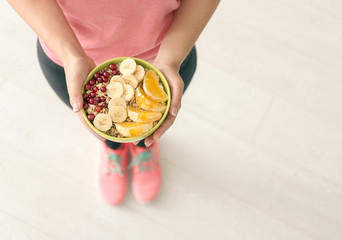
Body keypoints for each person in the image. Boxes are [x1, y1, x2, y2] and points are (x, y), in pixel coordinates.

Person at [8, 0, 220, 205]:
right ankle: (113, 147)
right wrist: (71, 55)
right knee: (106, 128)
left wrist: (170, 58)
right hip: (69, 58)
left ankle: (144, 145)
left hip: (168, 54)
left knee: (148, 122)